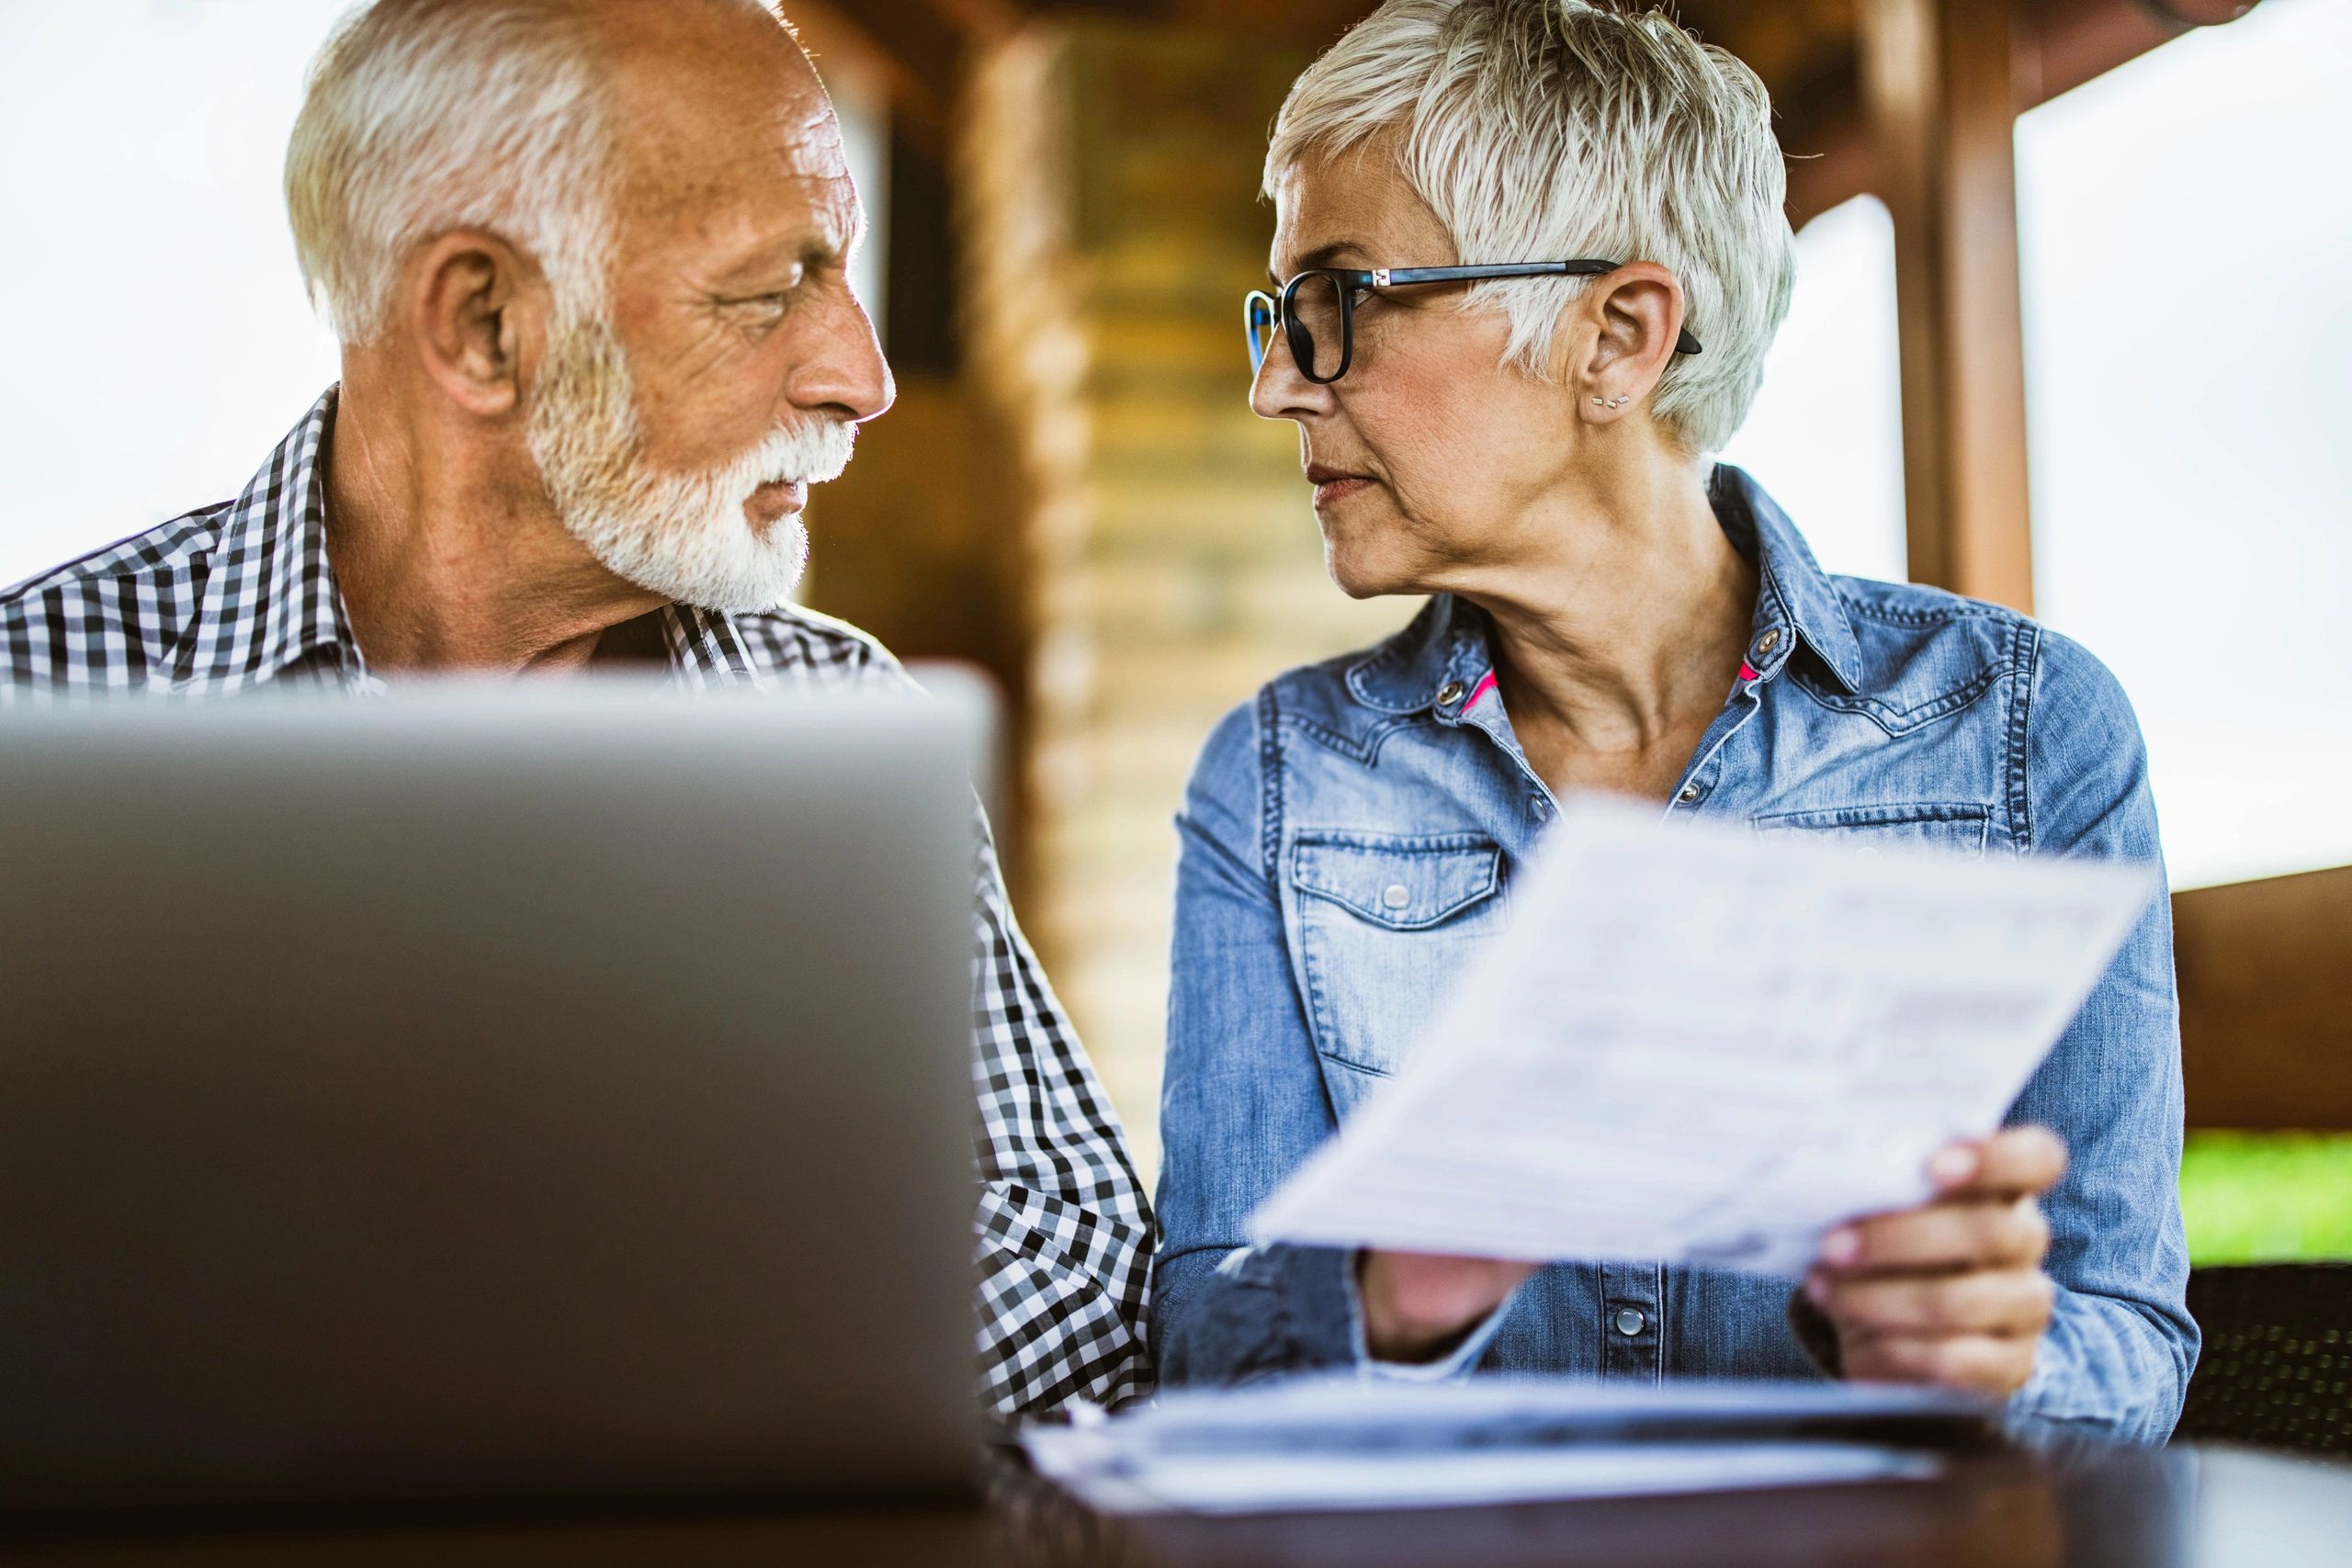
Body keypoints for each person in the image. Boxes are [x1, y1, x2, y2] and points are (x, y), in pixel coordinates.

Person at [0, 0, 1148, 1417]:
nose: (862, 375)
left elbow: (1081, 1254)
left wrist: (653, 1415)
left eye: (838, 270)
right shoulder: (38, 695)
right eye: (769, 286)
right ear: (483, 325)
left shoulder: (835, 722)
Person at [1154, 0, 2193, 1441]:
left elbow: (2125, 1348)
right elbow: (1202, 1347)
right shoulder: (1276, 779)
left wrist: (1995, 1361)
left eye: (1341, 301)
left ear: (1619, 337)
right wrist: (1392, 1290)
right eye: (1281, 315)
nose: (1278, 382)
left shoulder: (2025, 734)